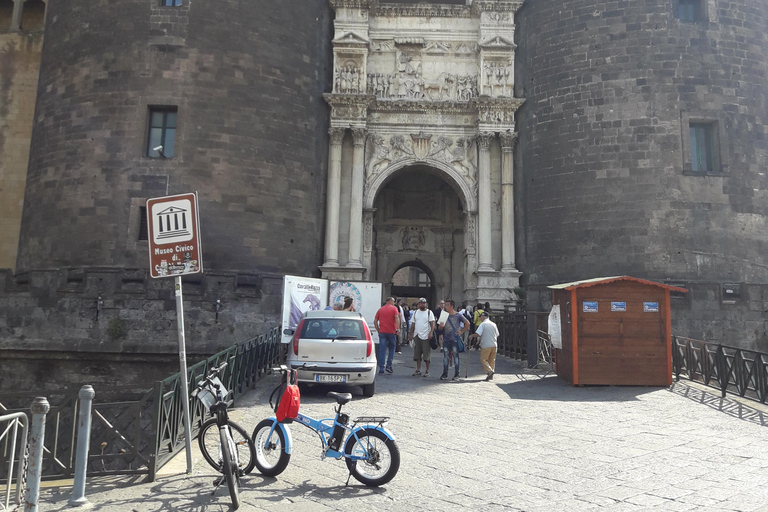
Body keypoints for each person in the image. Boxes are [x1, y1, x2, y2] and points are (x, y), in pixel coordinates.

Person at [438, 299, 468, 381]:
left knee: (456, 357)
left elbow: (467, 323)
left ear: (452, 306)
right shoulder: (443, 315)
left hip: (454, 339)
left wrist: (461, 331)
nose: (445, 306)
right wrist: (441, 326)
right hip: (446, 339)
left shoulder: (458, 315)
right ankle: (445, 373)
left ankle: (456, 374)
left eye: (447, 305)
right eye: (445, 305)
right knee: (445, 357)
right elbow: (439, 328)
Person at [408, 298, 435, 377]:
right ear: (418, 304)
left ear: (426, 304)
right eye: (420, 303)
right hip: (417, 335)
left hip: (426, 336)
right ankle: (418, 369)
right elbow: (413, 323)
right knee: (417, 354)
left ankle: (427, 370)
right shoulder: (416, 312)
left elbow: (432, 323)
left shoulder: (429, 312)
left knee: (426, 355)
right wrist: (411, 334)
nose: (422, 304)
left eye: (423, 303)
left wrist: (431, 332)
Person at [469, 311, 499, 381]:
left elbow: (478, 334)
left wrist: (472, 336)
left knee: (483, 359)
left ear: (483, 317)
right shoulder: (494, 324)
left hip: (486, 345)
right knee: (491, 360)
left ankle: (489, 371)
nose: (480, 319)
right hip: (494, 345)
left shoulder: (483, 324)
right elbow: (497, 334)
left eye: (481, 317)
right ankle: (490, 375)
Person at [374, 297, 400, 375]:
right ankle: (388, 365)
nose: (394, 303)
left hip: (382, 331)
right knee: (392, 348)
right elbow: (396, 318)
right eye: (394, 301)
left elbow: (375, 321)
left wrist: (378, 329)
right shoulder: (394, 309)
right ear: (391, 301)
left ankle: (381, 368)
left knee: (382, 350)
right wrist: (398, 329)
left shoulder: (380, 309)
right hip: (391, 331)